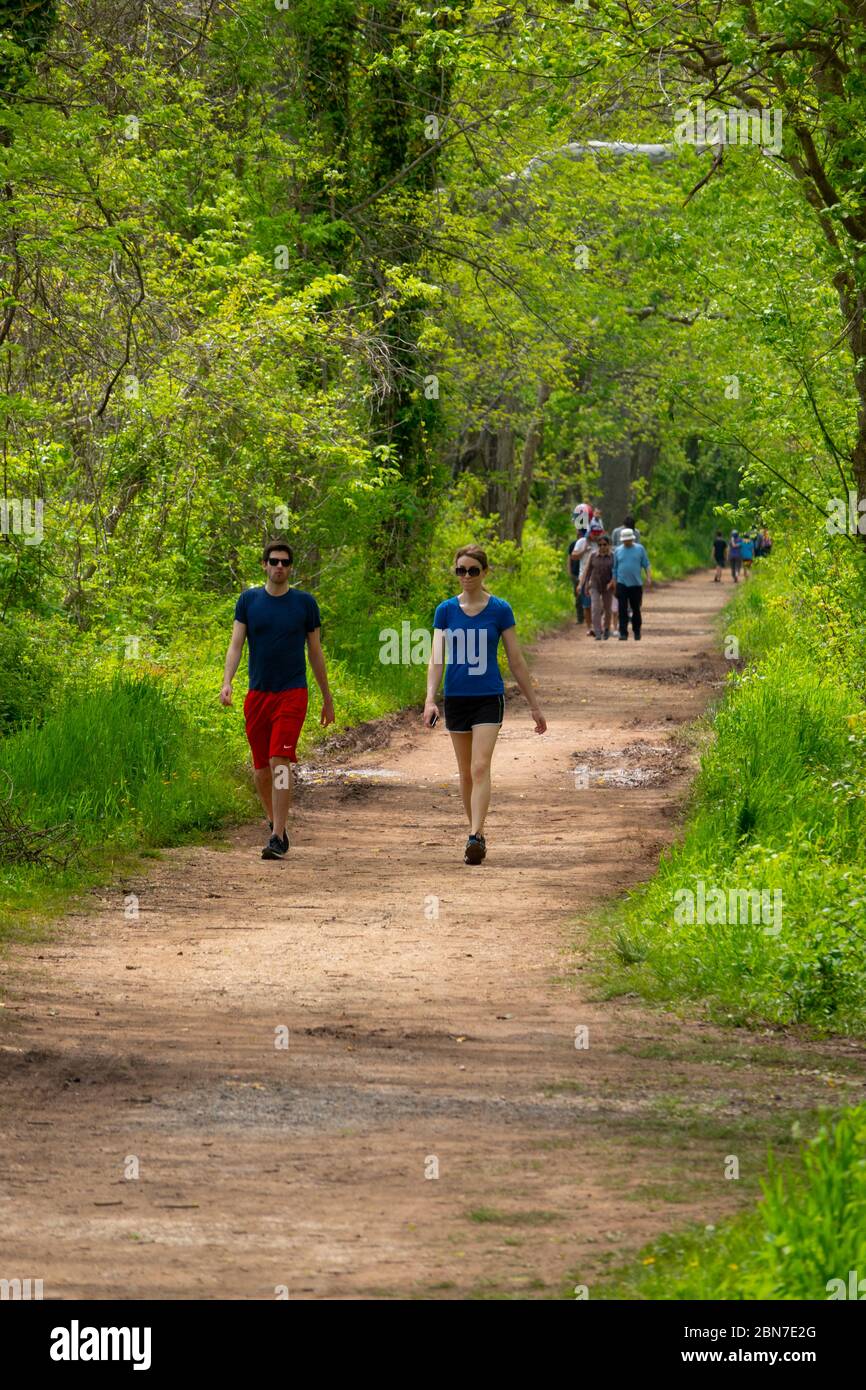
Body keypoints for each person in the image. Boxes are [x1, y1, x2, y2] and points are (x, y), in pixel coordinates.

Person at [424, 545, 547, 865]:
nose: (466, 576)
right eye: (460, 571)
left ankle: (475, 835)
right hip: (456, 697)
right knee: (465, 773)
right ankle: (475, 831)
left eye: (473, 571)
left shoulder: (500, 610)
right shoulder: (445, 611)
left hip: (488, 697)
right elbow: (437, 658)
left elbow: (516, 661)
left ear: (485, 573)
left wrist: (534, 704)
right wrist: (429, 699)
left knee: (480, 767)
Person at [220, 538, 335, 859]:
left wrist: (327, 696)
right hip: (257, 695)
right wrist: (227, 682)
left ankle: (277, 835)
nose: (279, 567)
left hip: (292, 693)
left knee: (279, 760)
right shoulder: (248, 601)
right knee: (261, 769)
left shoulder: (304, 604)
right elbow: (236, 645)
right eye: (274, 561)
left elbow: (315, 652)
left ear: (291, 567)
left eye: (285, 562)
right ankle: (275, 825)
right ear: (264, 565)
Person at [611, 527, 651, 640]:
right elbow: (614, 568)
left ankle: (637, 631)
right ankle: (623, 633)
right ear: (622, 540)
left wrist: (648, 577)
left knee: (636, 609)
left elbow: (646, 564)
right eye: (625, 540)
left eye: (628, 540)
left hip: (636, 584)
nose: (626, 542)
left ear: (632, 539)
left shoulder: (640, 549)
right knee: (622, 609)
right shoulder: (618, 551)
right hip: (622, 583)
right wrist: (614, 582)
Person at [573, 517, 604, 636]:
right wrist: (584, 550)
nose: (595, 536)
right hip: (584, 577)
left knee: (600, 604)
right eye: (594, 534)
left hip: (599, 577)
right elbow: (574, 556)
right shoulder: (582, 542)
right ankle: (589, 627)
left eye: (598, 534)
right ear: (589, 532)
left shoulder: (602, 543)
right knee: (587, 605)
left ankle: (597, 624)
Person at [581, 532, 614, 639]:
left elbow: (617, 571)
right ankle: (597, 631)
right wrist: (585, 584)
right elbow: (588, 571)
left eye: (604, 544)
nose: (602, 547)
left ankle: (607, 628)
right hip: (595, 584)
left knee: (607, 608)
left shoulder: (613, 556)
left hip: (608, 585)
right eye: (600, 545)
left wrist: (613, 582)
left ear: (608, 545)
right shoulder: (593, 555)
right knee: (595, 608)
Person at [566, 525, 586, 624]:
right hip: (575, 573)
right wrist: (569, 571)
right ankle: (580, 618)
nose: (578, 533)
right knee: (578, 597)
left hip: (586, 573)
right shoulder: (573, 544)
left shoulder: (587, 543)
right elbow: (569, 558)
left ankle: (590, 616)